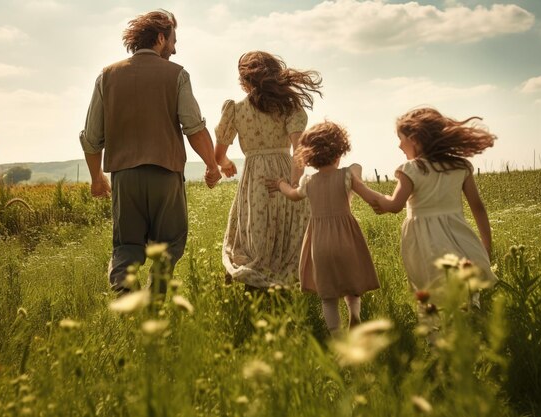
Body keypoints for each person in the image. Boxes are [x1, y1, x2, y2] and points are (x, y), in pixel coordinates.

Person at [79, 9, 221, 294]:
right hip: (165, 175)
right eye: (172, 40)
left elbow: (92, 138)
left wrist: (97, 178)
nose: (175, 47)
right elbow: (192, 127)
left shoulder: (106, 76)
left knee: (127, 246)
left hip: (124, 177)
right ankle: (155, 302)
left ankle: (124, 298)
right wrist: (211, 165)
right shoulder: (177, 74)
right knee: (169, 243)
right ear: (160, 38)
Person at [214, 51, 322, 289]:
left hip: (255, 177)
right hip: (284, 172)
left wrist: (225, 164)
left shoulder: (235, 109)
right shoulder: (289, 107)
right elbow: (299, 150)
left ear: (244, 80)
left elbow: (219, 155)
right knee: (288, 231)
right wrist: (293, 183)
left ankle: (254, 280)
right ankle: (286, 280)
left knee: (255, 229)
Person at [371, 107, 497, 302]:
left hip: (425, 243)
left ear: (415, 139)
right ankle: (470, 324)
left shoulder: (411, 169)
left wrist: (369, 194)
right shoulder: (460, 166)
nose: (399, 146)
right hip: (459, 237)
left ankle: (438, 330)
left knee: (432, 293)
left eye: (401, 139)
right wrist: (486, 246)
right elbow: (477, 207)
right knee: (467, 291)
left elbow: (395, 205)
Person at [266, 121, 380, 335]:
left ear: (309, 156)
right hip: (347, 238)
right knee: (352, 286)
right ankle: (354, 315)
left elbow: (292, 195)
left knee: (328, 296)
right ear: (340, 151)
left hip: (319, 242)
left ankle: (336, 336)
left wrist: (281, 183)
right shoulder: (347, 176)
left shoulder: (308, 181)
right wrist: (387, 203)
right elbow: (370, 196)